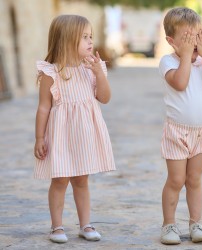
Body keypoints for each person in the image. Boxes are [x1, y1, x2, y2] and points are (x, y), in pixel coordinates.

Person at [34, 14, 116, 243]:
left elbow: (105, 97)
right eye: (84, 37)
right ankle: (57, 227)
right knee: (60, 180)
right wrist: (39, 137)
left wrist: (99, 72)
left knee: (82, 180)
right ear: (66, 40)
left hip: (85, 134)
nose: (91, 42)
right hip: (61, 135)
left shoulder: (92, 69)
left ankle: (85, 224)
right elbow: (43, 108)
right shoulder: (51, 72)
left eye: (91, 36)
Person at [158, 7, 202, 245]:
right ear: (171, 41)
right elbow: (180, 83)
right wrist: (186, 55)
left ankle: (196, 223)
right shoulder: (168, 61)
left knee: (194, 179)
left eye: (198, 36)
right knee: (176, 180)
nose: (193, 43)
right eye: (187, 38)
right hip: (177, 132)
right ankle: (169, 225)